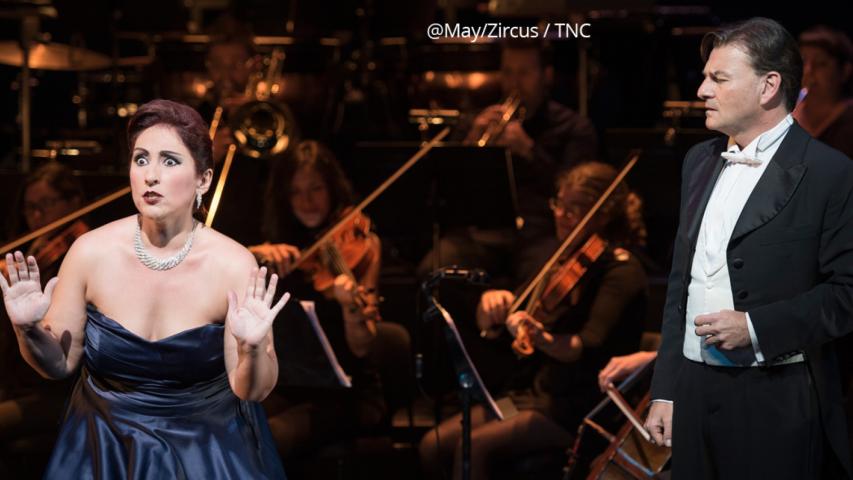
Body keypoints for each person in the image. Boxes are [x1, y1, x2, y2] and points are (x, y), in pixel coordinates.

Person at [0, 99, 288, 478]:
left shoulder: (233, 264)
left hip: (206, 447)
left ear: (203, 179)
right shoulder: (90, 252)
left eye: (169, 161)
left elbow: (252, 391)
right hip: (105, 443)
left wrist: (251, 348)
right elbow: (58, 365)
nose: (151, 175)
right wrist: (27, 329)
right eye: (141, 159)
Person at [645, 17, 853, 479]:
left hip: (775, 397)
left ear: (768, 86)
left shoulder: (829, 172)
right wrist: (667, 390)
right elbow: (681, 284)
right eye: (705, 77)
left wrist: (755, 328)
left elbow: (847, 293)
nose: (702, 90)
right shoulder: (699, 161)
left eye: (718, 78)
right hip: (693, 393)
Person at [419, 162, 648, 480]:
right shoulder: (559, 258)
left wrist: (542, 338)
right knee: (433, 445)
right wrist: (494, 307)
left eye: (574, 210)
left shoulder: (621, 271)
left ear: (603, 215)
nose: (561, 215)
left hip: (582, 404)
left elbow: (585, 345)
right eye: (559, 205)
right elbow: (518, 316)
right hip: (536, 394)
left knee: (474, 448)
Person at [248, 140, 388, 461]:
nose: (307, 202)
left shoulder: (363, 243)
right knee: (228, 422)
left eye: (316, 189)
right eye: (296, 192)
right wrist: (254, 254)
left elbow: (363, 346)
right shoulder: (280, 248)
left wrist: (350, 307)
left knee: (273, 436)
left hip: (348, 393)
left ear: (332, 188)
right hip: (290, 386)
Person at [418, 38, 599, 285]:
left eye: (524, 73)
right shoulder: (475, 122)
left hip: (539, 234)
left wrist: (529, 151)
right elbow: (445, 188)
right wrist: (470, 144)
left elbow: (575, 195)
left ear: (546, 76)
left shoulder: (573, 128)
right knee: (433, 271)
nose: (514, 82)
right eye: (508, 72)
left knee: (549, 278)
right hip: (481, 234)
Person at [0, 163, 88, 474]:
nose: (36, 216)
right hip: (23, 383)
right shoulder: (35, 250)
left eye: (45, 205)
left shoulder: (79, 255)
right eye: (30, 207)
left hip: (60, 391)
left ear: (73, 202)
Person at [793, 25, 853, 159]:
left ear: (845, 71)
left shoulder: (848, 123)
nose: (808, 71)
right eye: (803, 61)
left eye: (821, 64)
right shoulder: (789, 116)